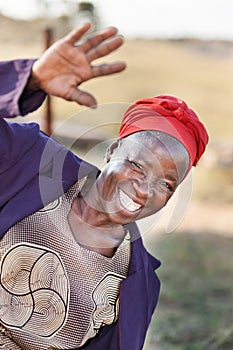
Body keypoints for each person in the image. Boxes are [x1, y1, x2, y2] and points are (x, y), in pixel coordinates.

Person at [0, 23, 209, 350]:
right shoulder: (28, 160)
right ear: (112, 150)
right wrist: (29, 80)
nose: (144, 190)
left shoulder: (135, 283)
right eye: (138, 165)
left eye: (166, 185)